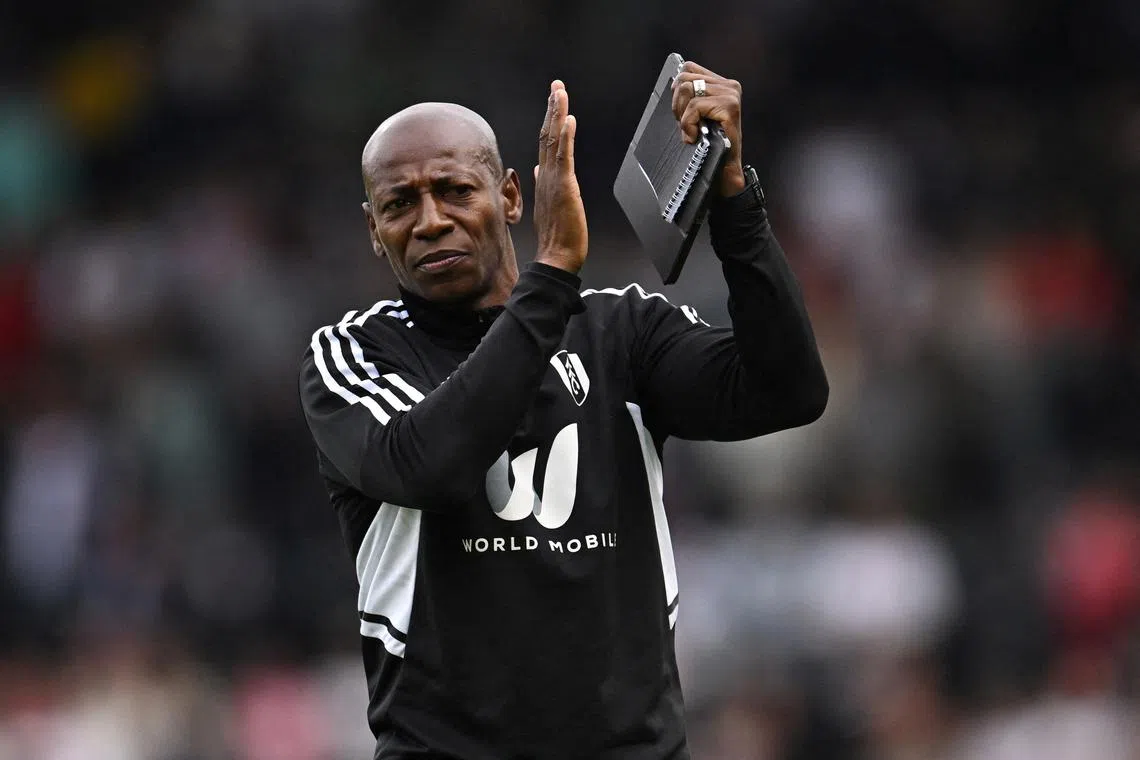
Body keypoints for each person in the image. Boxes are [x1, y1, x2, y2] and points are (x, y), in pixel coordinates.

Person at [299, 61, 828, 760]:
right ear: (375, 230)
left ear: (511, 196)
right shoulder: (351, 354)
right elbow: (428, 465)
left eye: (455, 190)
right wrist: (549, 277)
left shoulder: (619, 332)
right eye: (399, 205)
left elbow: (788, 390)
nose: (430, 221)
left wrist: (734, 201)